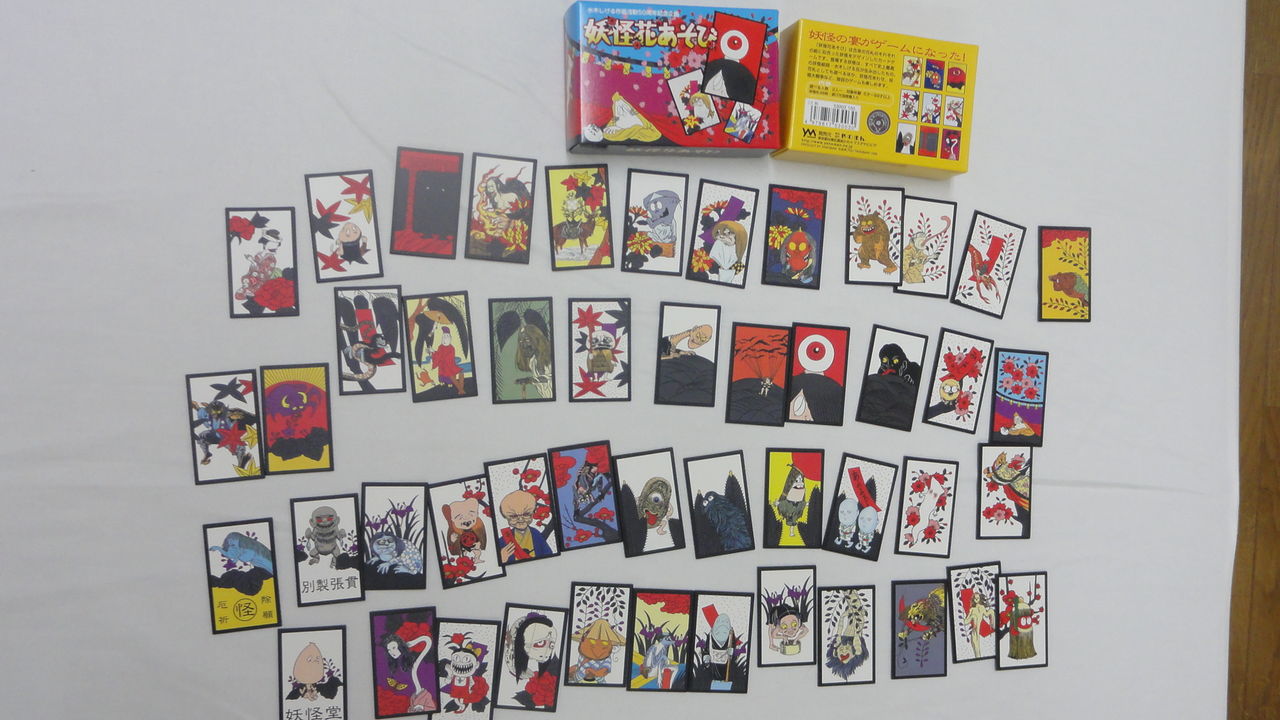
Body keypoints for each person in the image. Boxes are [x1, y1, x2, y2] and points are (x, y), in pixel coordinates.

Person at [497, 490, 551, 562]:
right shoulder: (504, 539)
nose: (520, 519)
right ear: (506, 517)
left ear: (533, 513)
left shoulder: (536, 534)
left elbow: (548, 554)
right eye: (514, 516)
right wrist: (502, 559)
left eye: (526, 514)